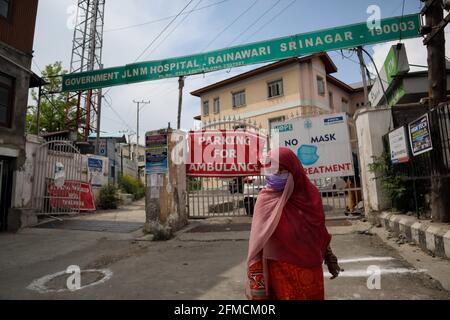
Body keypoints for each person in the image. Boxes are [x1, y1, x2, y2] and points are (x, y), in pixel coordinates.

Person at [246, 147, 342, 300]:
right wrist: (258, 288)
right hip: (281, 272)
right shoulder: (265, 200)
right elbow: (257, 246)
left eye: (280, 171)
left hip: (311, 272)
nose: (274, 176)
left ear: (294, 169)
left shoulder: (310, 196)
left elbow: (318, 230)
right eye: (271, 171)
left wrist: (329, 256)